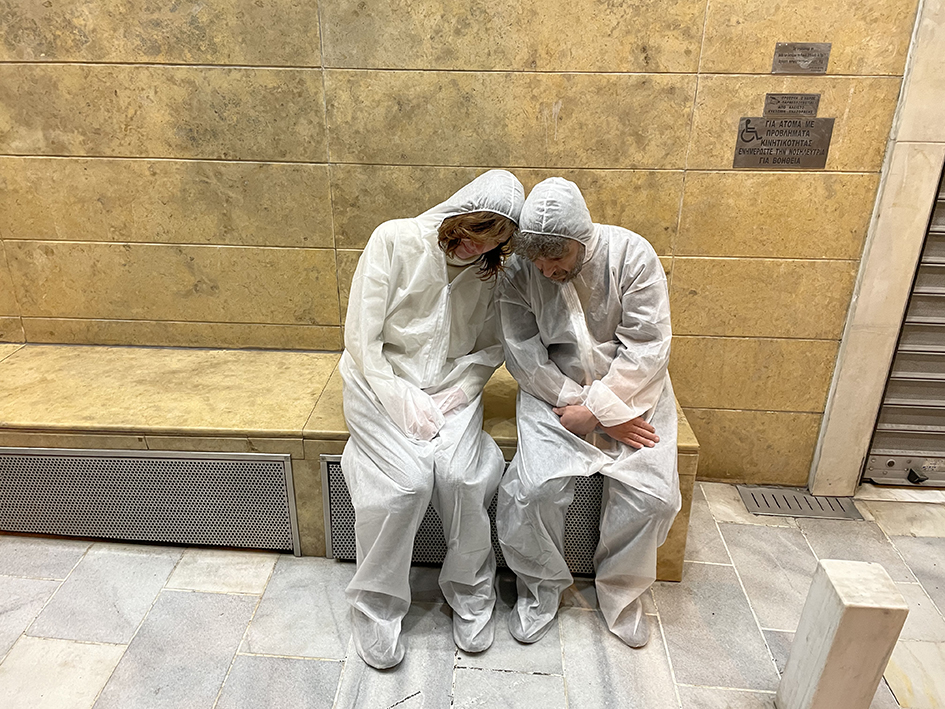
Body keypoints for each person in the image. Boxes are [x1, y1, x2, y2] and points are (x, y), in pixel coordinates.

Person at [339, 170, 525, 669]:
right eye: (476, 232)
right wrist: (398, 398)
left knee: (462, 479)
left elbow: (491, 346)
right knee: (406, 487)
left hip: (451, 384)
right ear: (460, 214)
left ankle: (472, 592)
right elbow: (362, 339)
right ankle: (375, 606)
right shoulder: (395, 240)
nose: (477, 248)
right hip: (377, 380)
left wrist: (462, 390)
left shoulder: (490, 273)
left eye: (494, 242)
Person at [495, 177, 680, 648]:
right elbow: (522, 351)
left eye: (556, 258)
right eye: (538, 260)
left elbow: (648, 346)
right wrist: (576, 402)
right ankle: (540, 592)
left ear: (582, 239)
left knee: (653, 498)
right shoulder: (521, 270)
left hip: (636, 392)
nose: (546, 269)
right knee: (532, 491)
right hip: (551, 392)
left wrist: (600, 408)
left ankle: (621, 592)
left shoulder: (632, 256)